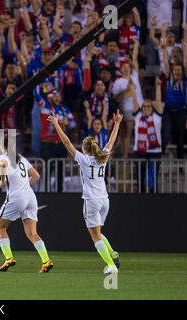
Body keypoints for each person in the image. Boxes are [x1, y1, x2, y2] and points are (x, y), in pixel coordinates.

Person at [47, 109, 123, 274]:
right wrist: (117, 123)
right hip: (105, 200)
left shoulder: (83, 159)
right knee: (98, 232)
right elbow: (111, 141)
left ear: (85, 148)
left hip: (91, 201)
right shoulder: (102, 156)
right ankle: (112, 253)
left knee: (95, 236)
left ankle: (110, 265)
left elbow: (67, 143)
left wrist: (56, 124)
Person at [0, 134, 53, 273]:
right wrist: (25, 187)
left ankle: (9, 258)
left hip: (16, 197)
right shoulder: (21, 158)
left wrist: (2, 182)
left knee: (0, 228)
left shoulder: (3, 157)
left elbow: (3, 165)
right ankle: (46, 260)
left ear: (2, 146)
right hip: (30, 197)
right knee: (32, 233)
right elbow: (36, 176)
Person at [132, 79, 163, 193]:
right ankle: (140, 199)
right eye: (144, 106)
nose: (146, 108)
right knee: (140, 178)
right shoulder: (138, 116)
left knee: (153, 179)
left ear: (152, 108)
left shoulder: (157, 117)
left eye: (149, 106)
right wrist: (132, 88)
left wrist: (158, 86)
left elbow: (158, 101)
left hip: (155, 152)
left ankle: (153, 199)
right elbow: (134, 101)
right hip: (139, 151)